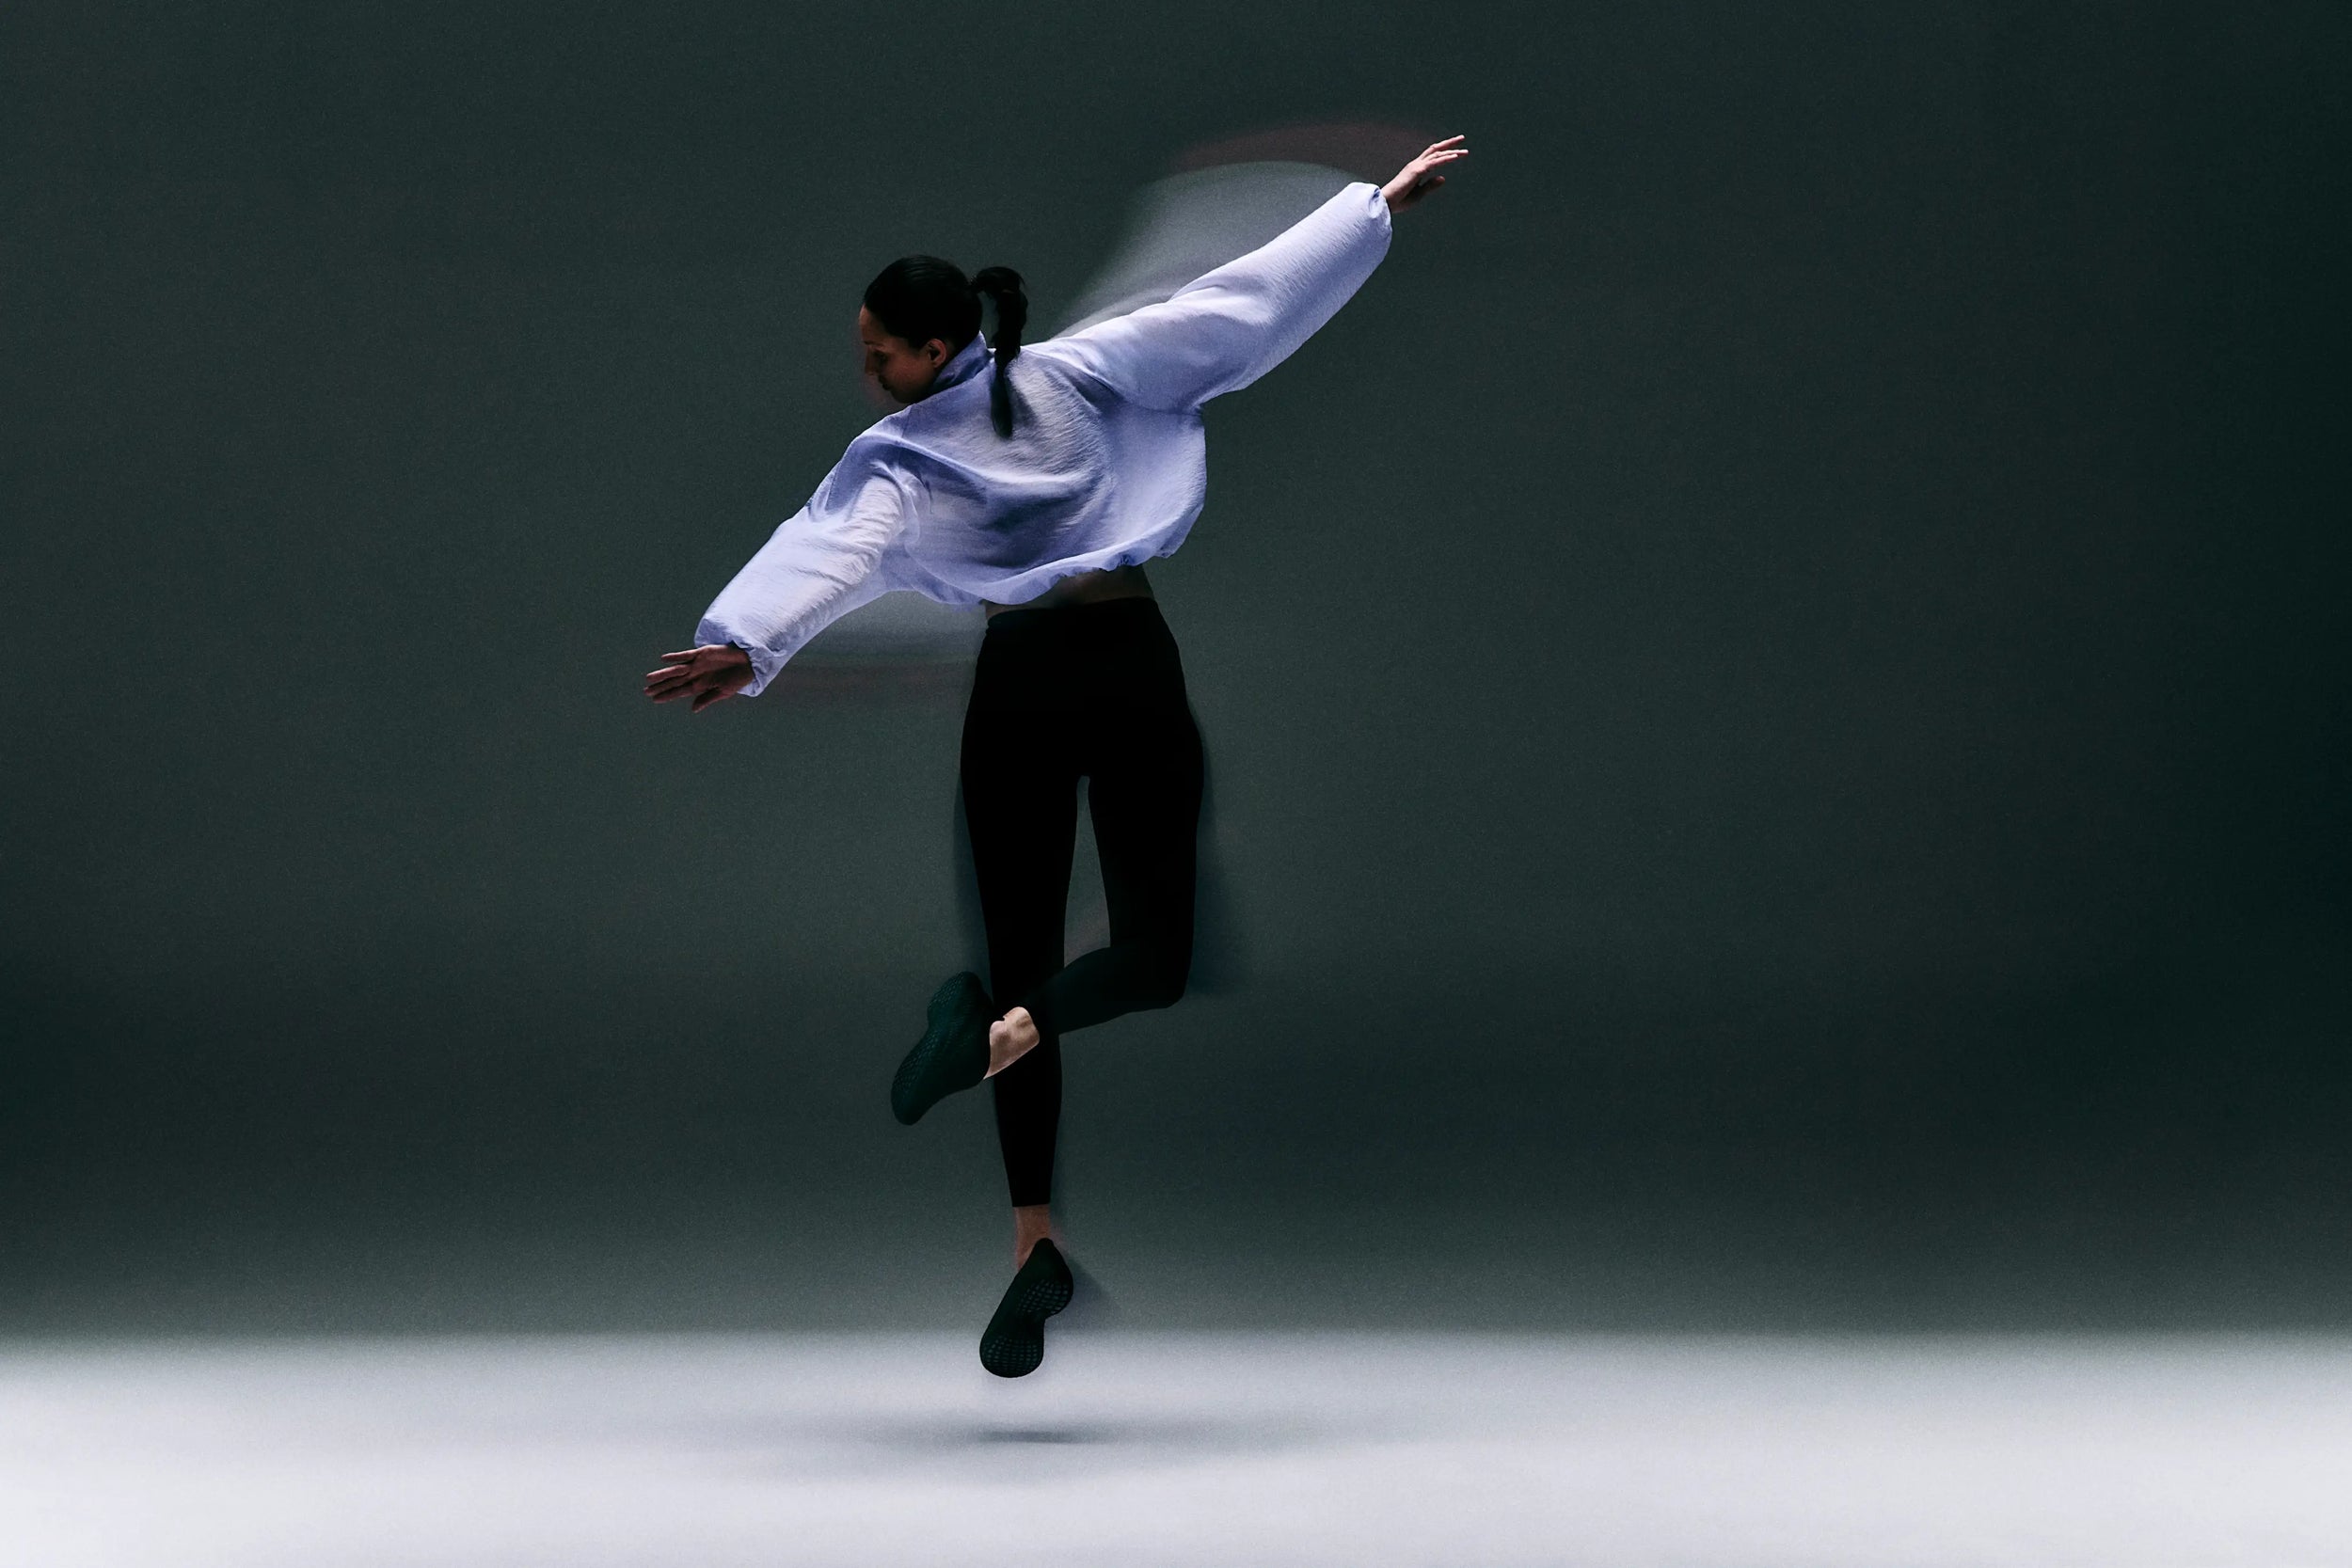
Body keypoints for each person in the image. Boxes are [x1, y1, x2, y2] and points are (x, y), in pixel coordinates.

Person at [644, 135, 1469, 1375]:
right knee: (1151, 959)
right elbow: (1235, 310)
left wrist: (746, 643)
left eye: (882, 354)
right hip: (1128, 664)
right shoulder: (1080, 373)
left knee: (1023, 952)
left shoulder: (906, 453)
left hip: (1021, 688)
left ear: (935, 351)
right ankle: (992, 1066)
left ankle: (1027, 1210)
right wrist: (1371, 210)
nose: (867, 373)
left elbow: (836, 548)